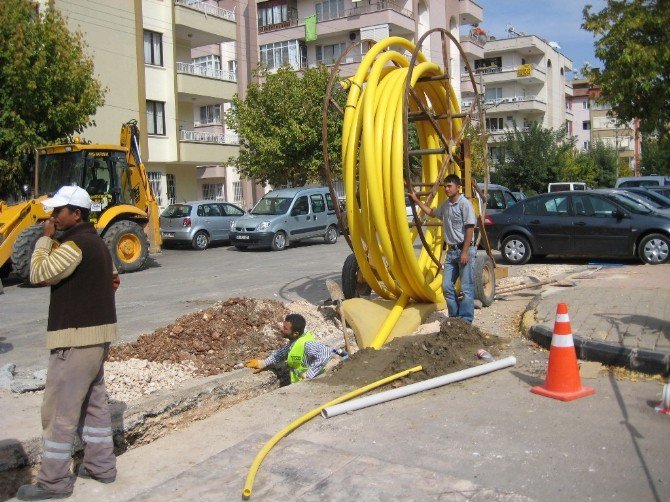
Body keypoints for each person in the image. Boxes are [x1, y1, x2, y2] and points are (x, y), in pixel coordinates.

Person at [18, 186, 119, 501]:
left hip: (75, 340)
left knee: (59, 411)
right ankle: (101, 466)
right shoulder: (97, 244)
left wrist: (45, 239)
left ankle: (54, 483)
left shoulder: (74, 244)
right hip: (97, 336)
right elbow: (114, 280)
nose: (53, 217)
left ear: (77, 214)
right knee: (94, 404)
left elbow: (37, 273)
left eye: (58, 211)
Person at [408, 174, 477, 323]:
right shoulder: (446, 205)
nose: (446, 189)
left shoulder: (464, 204)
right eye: (445, 186)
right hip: (452, 252)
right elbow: (432, 213)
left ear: (458, 187)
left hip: (464, 250)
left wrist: (465, 251)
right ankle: (454, 318)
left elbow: (470, 228)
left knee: (466, 288)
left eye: (449, 186)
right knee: (446, 286)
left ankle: (465, 321)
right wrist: (417, 200)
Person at [245, 313, 345, 382]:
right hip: (299, 382)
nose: (281, 329)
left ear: (295, 333)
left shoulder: (307, 344)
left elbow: (325, 353)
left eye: (285, 328)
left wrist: (309, 373)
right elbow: (281, 353)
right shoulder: (294, 342)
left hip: (314, 381)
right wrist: (263, 363)